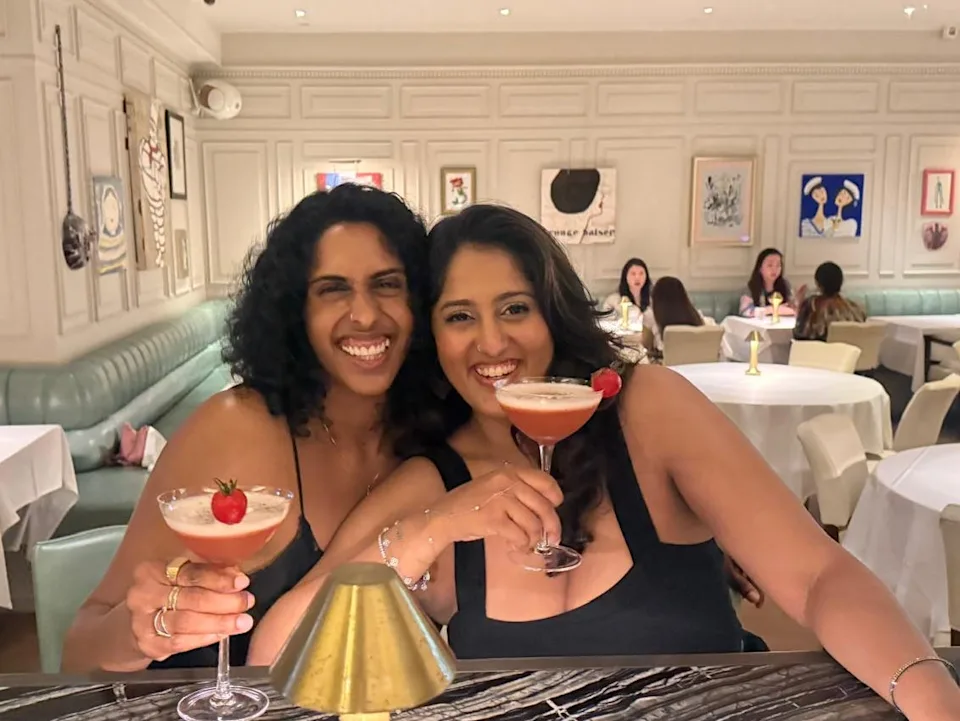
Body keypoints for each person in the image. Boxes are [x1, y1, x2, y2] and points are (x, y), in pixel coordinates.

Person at [247, 205, 960, 720]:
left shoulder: (646, 409)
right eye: (460, 316)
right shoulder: (435, 479)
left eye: (515, 307)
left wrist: (928, 690)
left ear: (553, 315)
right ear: (434, 337)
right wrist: (428, 530)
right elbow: (274, 652)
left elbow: (817, 575)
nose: (491, 341)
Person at [61, 184, 433, 672]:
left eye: (387, 284)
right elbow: (80, 649)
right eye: (333, 289)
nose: (364, 314)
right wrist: (143, 631)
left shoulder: (429, 433)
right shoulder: (239, 429)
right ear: (295, 312)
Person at [793, 261, 866, 342]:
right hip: (851, 354)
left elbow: (799, 336)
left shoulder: (812, 306)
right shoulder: (855, 310)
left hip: (819, 353)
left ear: (818, 284)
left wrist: (799, 305)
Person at [642, 276, 709, 358]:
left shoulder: (650, 315)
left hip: (665, 366)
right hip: (696, 364)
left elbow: (646, 344)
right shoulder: (695, 314)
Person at [739, 247, 801, 318]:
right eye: (770, 265)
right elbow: (745, 311)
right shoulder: (750, 288)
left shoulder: (785, 285)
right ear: (760, 268)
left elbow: (794, 308)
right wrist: (771, 309)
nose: (774, 269)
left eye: (778, 265)